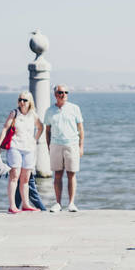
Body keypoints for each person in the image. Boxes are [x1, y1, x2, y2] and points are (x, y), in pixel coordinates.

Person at [0, 91, 44, 214]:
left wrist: (35, 140)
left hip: (29, 149)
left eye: (25, 100)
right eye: (20, 99)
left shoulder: (33, 115)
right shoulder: (14, 113)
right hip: (15, 147)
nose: (22, 102)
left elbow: (41, 127)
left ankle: (26, 204)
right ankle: (12, 206)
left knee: (26, 178)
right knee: (14, 176)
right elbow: (5, 129)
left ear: (30, 102)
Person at [45, 84, 84, 212]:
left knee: (71, 174)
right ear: (55, 94)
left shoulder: (74, 108)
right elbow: (47, 130)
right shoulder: (50, 111)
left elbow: (81, 129)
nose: (64, 95)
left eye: (66, 92)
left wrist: (81, 146)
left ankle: (71, 203)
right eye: (61, 92)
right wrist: (49, 146)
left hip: (72, 144)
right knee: (57, 174)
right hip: (56, 145)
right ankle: (58, 203)